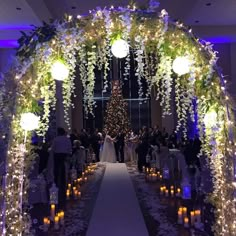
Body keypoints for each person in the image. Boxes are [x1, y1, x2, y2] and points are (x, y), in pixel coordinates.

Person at [51, 127, 72, 209]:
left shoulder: (56, 139)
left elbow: (53, 148)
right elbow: (69, 147)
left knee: (56, 169)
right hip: (64, 155)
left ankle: (56, 181)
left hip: (57, 155)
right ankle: (63, 182)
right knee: (63, 168)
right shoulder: (67, 139)